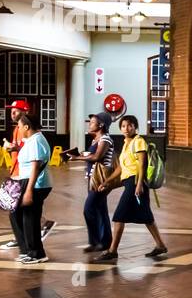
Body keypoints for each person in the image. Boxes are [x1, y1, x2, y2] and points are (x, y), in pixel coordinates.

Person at [99, 115, 168, 262]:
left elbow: (142, 164)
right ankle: (161, 245)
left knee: (119, 215)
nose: (126, 128)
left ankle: (112, 250)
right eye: (123, 126)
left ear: (135, 127)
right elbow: (120, 168)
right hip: (129, 182)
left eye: (130, 125)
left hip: (135, 183)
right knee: (147, 216)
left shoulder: (138, 142)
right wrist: (107, 181)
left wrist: (138, 185)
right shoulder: (126, 144)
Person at [0, 100, 54, 249]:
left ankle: (30, 248)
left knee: (23, 213)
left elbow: (35, 163)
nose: (12, 113)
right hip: (20, 174)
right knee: (18, 212)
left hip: (27, 178)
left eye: (15, 111)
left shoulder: (33, 137)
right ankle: (25, 245)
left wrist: (29, 189)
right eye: (11, 111)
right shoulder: (20, 130)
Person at [67, 112, 116, 253]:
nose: (89, 124)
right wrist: (82, 155)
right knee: (100, 209)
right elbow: (92, 156)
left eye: (92, 122)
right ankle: (99, 242)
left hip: (101, 180)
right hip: (93, 178)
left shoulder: (105, 139)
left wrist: (77, 158)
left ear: (101, 125)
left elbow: (97, 157)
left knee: (89, 209)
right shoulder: (96, 139)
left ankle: (100, 241)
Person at [12, 112, 52, 265]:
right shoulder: (32, 139)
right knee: (17, 214)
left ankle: (36, 253)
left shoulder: (36, 141)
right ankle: (28, 250)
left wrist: (29, 191)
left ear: (27, 127)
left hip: (36, 184)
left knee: (30, 218)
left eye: (20, 126)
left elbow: (36, 166)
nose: (18, 128)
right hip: (29, 182)